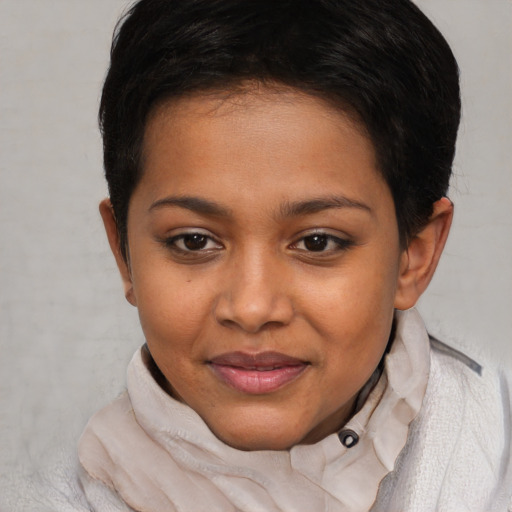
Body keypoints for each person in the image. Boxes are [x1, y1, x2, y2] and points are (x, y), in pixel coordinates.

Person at [49, 0, 512, 510]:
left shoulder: (490, 454)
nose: (251, 308)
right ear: (124, 252)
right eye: (194, 241)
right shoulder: (52, 493)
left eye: (318, 242)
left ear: (414, 254)